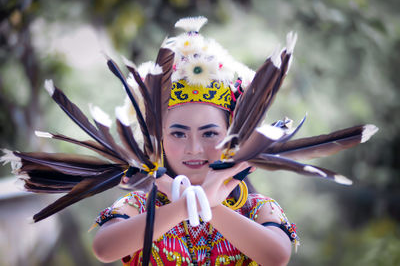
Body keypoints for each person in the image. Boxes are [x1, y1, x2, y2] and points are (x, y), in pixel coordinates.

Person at [92, 16, 299, 266]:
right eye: (178, 133)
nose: (194, 148)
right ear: (158, 138)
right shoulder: (137, 205)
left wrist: (206, 202)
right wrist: (186, 202)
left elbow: (277, 256)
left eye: (209, 133)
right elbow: (104, 248)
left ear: (232, 137)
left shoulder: (257, 208)